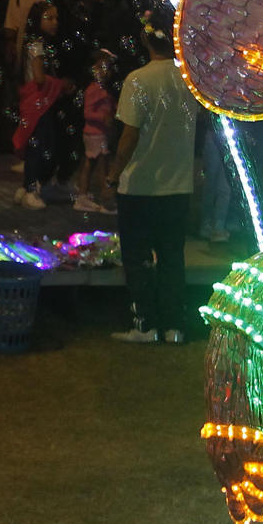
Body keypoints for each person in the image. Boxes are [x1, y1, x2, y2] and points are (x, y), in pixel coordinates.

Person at [107, 17, 198, 342]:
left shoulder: (138, 80)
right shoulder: (188, 80)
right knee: (173, 257)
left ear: (146, 42)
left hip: (141, 185)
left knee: (139, 258)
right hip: (178, 184)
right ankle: (174, 325)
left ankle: (144, 324)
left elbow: (129, 134)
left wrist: (113, 174)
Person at [13, 0, 69, 209]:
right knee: (40, 146)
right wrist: (59, 84)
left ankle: (28, 186)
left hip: (35, 103)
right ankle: (31, 190)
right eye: (49, 18)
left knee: (37, 146)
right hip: (38, 104)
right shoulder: (37, 46)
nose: (55, 22)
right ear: (37, 21)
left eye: (56, 18)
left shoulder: (33, 44)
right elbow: (38, 78)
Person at [74, 50, 116, 213]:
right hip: (95, 133)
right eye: (103, 68)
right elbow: (87, 113)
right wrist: (103, 117)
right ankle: (105, 200)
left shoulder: (102, 89)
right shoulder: (93, 89)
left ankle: (83, 197)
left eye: (108, 68)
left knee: (89, 164)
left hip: (98, 133)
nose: (107, 72)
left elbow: (110, 106)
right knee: (102, 166)